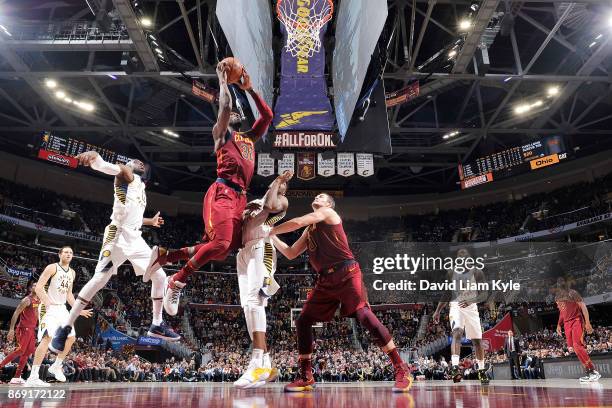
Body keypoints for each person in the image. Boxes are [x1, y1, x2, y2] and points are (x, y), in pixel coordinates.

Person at [147, 60, 273, 306]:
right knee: (221, 243)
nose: (234, 113)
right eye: (231, 113)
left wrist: (250, 89)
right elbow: (225, 104)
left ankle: (166, 255)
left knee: (223, 249)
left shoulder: (249, 138)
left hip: (240, 198)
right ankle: (177, 281)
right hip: (223, 191)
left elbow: (268, 116)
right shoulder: (221, 133)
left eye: (238, 113)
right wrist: (224, 81)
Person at [270, 193, 412, 393]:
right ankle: (306, 375)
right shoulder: (310, 230)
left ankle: (401, 368)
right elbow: (291, 253)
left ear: (329, 204)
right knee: (303, 320)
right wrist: (270, 236)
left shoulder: (328, 213)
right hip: (325, 279)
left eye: (322, 196)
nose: (317, 197)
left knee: (363, 314)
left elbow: (298, 221)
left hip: (347, 271)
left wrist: (269, 229)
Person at [50, 152, 179, 357]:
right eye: (134, 161)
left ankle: (156, 324)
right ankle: (65, 327)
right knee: (100, 279)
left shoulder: (140, 188)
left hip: (135, 237)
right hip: (116, 235)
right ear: (129, 165)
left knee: (160, 275)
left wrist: (150, 222)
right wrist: (95, 157)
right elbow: (107, 167)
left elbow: (132, 216)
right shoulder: (126, 175)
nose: (138, 162)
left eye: (141, 162)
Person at [233, 170, 293, 389]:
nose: (282, 186)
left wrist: (278, 182)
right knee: (247, 305)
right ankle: (266, 364)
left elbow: (268, 207)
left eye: (284, 186)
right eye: (278, 184)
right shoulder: (254, 201)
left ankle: (257, 361)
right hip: (243, 251)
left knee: (255, 301)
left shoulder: (280, 201)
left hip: (262, 247)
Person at [25, 247, 92, 387]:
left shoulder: (72, 273)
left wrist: (79, 310)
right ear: (60, 254)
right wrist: (46, 301)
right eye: (66, 252)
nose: (69, 254)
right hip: (48, 306)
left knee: (71, 337)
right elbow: (38, 287)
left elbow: (69, 295)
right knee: (46, 338)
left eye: (71, 253)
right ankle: (33, 377)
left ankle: (56, 366)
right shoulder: (52, 267)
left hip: (62, 308)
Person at [432, 248, 489, 384]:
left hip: (471, 307)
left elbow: (484, 294)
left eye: (465, 254)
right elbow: (446, 293)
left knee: (477, 341)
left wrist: (471, 300)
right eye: (460, 255)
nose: (462, 257)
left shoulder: (477, 272)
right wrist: (438, 310)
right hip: (456, 306)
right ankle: (455, 368)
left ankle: (481, 371)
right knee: (457, 332)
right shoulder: (451, 273)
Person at [555, 279, 601, 382]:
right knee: (574, 349)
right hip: (566, 324)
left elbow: (583, 307)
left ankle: (593, 371)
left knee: (577, 345)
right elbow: (562, 312)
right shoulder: (558, 298)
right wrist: (558, 324)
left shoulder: (572, 293)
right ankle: (588, 372)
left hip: (576, 321)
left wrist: (587, 322)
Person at [0, 284, 40, 384]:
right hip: (23, 328)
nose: (36, 286)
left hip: (32, 329)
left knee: (29, 351)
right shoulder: (27, 300)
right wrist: (11, 329)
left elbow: (36, 313)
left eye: (37, 285)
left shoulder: (38, 300)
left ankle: (16, 377)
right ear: (31, 288)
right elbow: (16, 313)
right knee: (21, 350)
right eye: (34, 285)